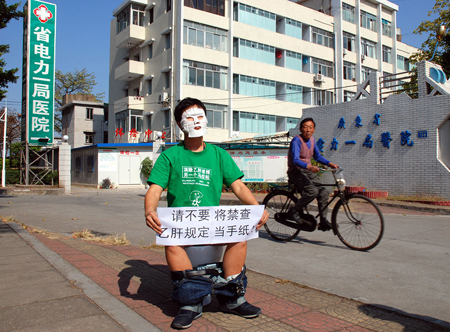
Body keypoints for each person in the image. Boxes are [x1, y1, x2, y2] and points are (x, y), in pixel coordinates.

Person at [144, 97, 269, 330]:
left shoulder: (219, 155)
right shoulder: (170, 156)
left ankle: (232, 298)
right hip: (182, 225)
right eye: (190, 118)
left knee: (241, 236)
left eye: (200, 116)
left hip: (211, 223)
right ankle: (191, 303)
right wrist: (149, 210)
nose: (196, 121)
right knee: (172, 244)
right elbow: (155, 189)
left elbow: (239, 186)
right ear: (181, 125)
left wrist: (257, 208)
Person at [287, 117, 339, 231]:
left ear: (314, 129)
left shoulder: (312, 140)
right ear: (300, 129)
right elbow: (295, 160)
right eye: (305, 127)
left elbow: (317, 156)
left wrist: (330, 164)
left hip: (306, 171)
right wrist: (309, 167)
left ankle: (323, 221)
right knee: (312, 191)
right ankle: (293, 211)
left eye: (310, 128)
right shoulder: (297, 140)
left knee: (324, 191)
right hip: (295, 171)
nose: (308, 130)